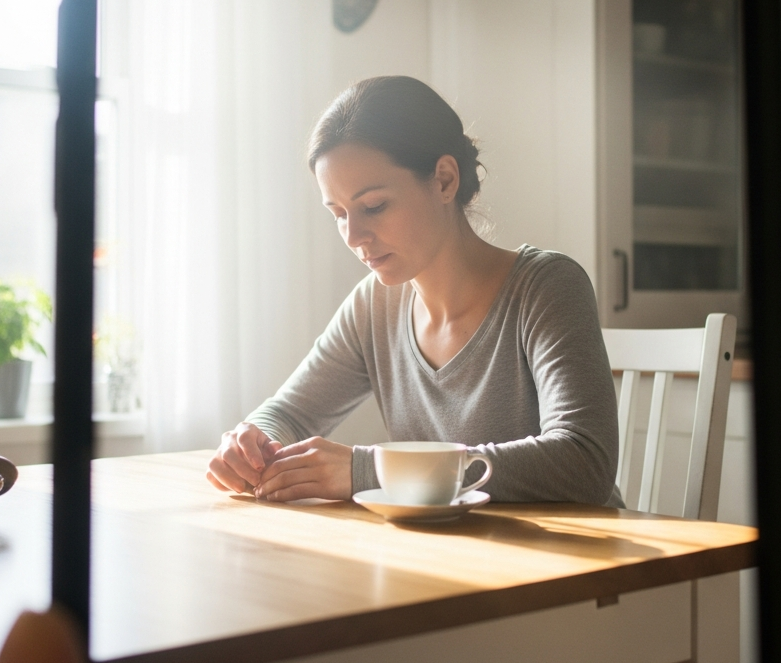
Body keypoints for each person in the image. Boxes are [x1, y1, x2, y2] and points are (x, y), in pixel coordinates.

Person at [206, 75, 623, 507]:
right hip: (454, 557)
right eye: (339, 214)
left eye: (373, 207)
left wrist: (367, 470)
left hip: (575, 558)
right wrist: (252, 444)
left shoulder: (547, 286)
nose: (353, 235)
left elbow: (583, 462)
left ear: (444, 180)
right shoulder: (374, 306)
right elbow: (287, 414)